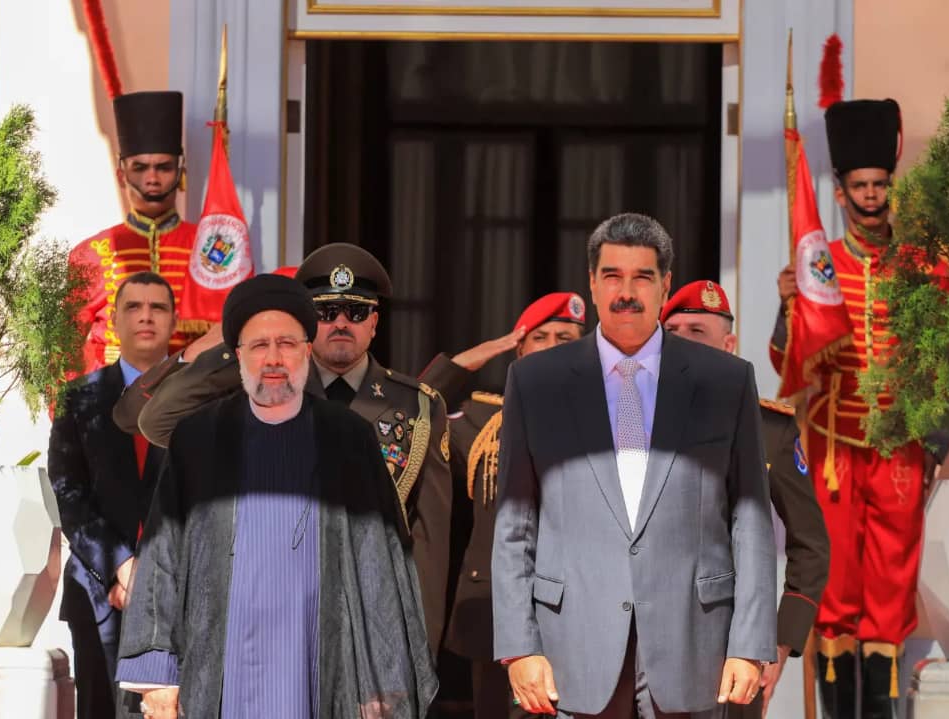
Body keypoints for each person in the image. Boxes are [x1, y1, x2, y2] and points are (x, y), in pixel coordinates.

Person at [492, 212, 777, 718]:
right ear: (592, 283)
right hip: (570, 651)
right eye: (612, 276)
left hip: (696, 649)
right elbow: (516, 524)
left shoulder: (724, 380)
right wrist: (519, 646)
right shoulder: (536, 382)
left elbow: (750, 517)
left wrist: (750, 643)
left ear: (665, 285)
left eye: (642, 277)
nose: (626, 292)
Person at [115, 273, 436, 719]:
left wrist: (381, 680)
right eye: (258, 345)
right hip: (221, 667)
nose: (273, 359)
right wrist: (158, 678)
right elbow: (163, 557)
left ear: (307, 350)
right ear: (238, 356)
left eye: (286, 343)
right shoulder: (198, 438)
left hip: (316, 664)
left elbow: (377, 560)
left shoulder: (347, 437)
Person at [770, 98, 947, 719]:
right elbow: (785, 361)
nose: (871, 196)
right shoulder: (818, 268)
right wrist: (788, 308)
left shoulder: (926, 269)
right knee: (835, 590)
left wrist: (934, 444)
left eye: (879, 184)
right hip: (831, 452)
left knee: (891, 594)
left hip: (899, 451)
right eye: (860, 186)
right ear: (841, 193)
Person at [662, 280, 830, 719]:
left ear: (728, 345)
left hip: (734, 655)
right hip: (645, 645)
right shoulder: (629, 423)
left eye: (697, 331)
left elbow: (811, 544)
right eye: (672, 331)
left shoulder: (768, 429)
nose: (681, 341)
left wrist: (779, 643)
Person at [420, 292, 586, 719]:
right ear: (519, 350)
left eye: (565, 339)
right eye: (540, 338)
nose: (552, 348)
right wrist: (468, 362)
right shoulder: (482, 419)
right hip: (497, 612)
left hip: (583, 612)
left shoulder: (609, 419)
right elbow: (412, 412)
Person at [48, 272, 177, 719]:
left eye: (158, 307)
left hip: (177, 592)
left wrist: (153, 572)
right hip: (98, 591)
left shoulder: (204, 401)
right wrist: (122, 565)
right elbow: (68, 494)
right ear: (115, 322)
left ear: (174, 321)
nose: (146, 316)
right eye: (133, 307)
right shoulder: (78, 399)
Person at [69, 91, 197, 376]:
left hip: (188, 394)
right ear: (121, 175)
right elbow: (65, 346)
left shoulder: (208, 247)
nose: (152, 179)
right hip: (109, 394)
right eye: (140, 168)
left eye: (163, 167)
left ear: (180, 173)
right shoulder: (91, 252)